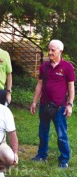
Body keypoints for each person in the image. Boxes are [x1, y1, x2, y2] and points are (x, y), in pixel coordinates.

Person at [30, 39, 75, 169]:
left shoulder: (67, 67)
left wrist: (70, 104)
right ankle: (41, 155)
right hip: (44, 105)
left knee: (62, 135)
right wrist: (34, 102)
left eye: (52, 50)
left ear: (60, 51)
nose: (49, 52)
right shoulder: (44, 66)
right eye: (49, 49)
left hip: (60, 107)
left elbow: (71, 87)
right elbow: (39, 84)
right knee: (43, 132)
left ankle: (64, 159)